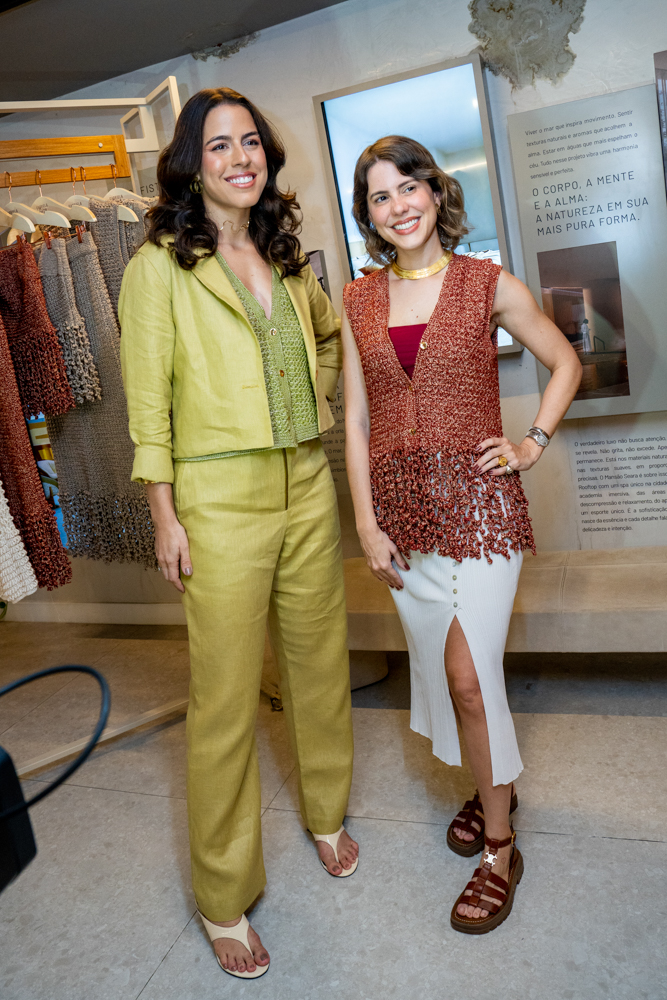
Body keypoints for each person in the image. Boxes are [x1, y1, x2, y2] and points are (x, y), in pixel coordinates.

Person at [119, 87, 358, 979]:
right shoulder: (157, 268)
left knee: (319, 665)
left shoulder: (287, 258)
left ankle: (326, 811)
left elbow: (329, 340)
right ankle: (223, 894)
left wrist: (316, 399)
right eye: (219, 145)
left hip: (307, 481)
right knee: (222, 701)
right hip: (218, 498)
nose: (240, 158)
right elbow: (147, 403)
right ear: (192, 163)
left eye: (250, 141)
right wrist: (164, 515)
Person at [342, 135, 581, 934]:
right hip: (402, 518)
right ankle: (490, 789)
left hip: (481, 512)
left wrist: (530, 443)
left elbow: (564, 362)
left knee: (469, 676)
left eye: (407, 187)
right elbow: (356, 420)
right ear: (368, 215)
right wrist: (365, 522)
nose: (397, 206)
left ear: (435, 192)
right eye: (379, 196)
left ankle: (500, 849)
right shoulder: (357, 299)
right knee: (447, 678)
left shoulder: (486, 283)